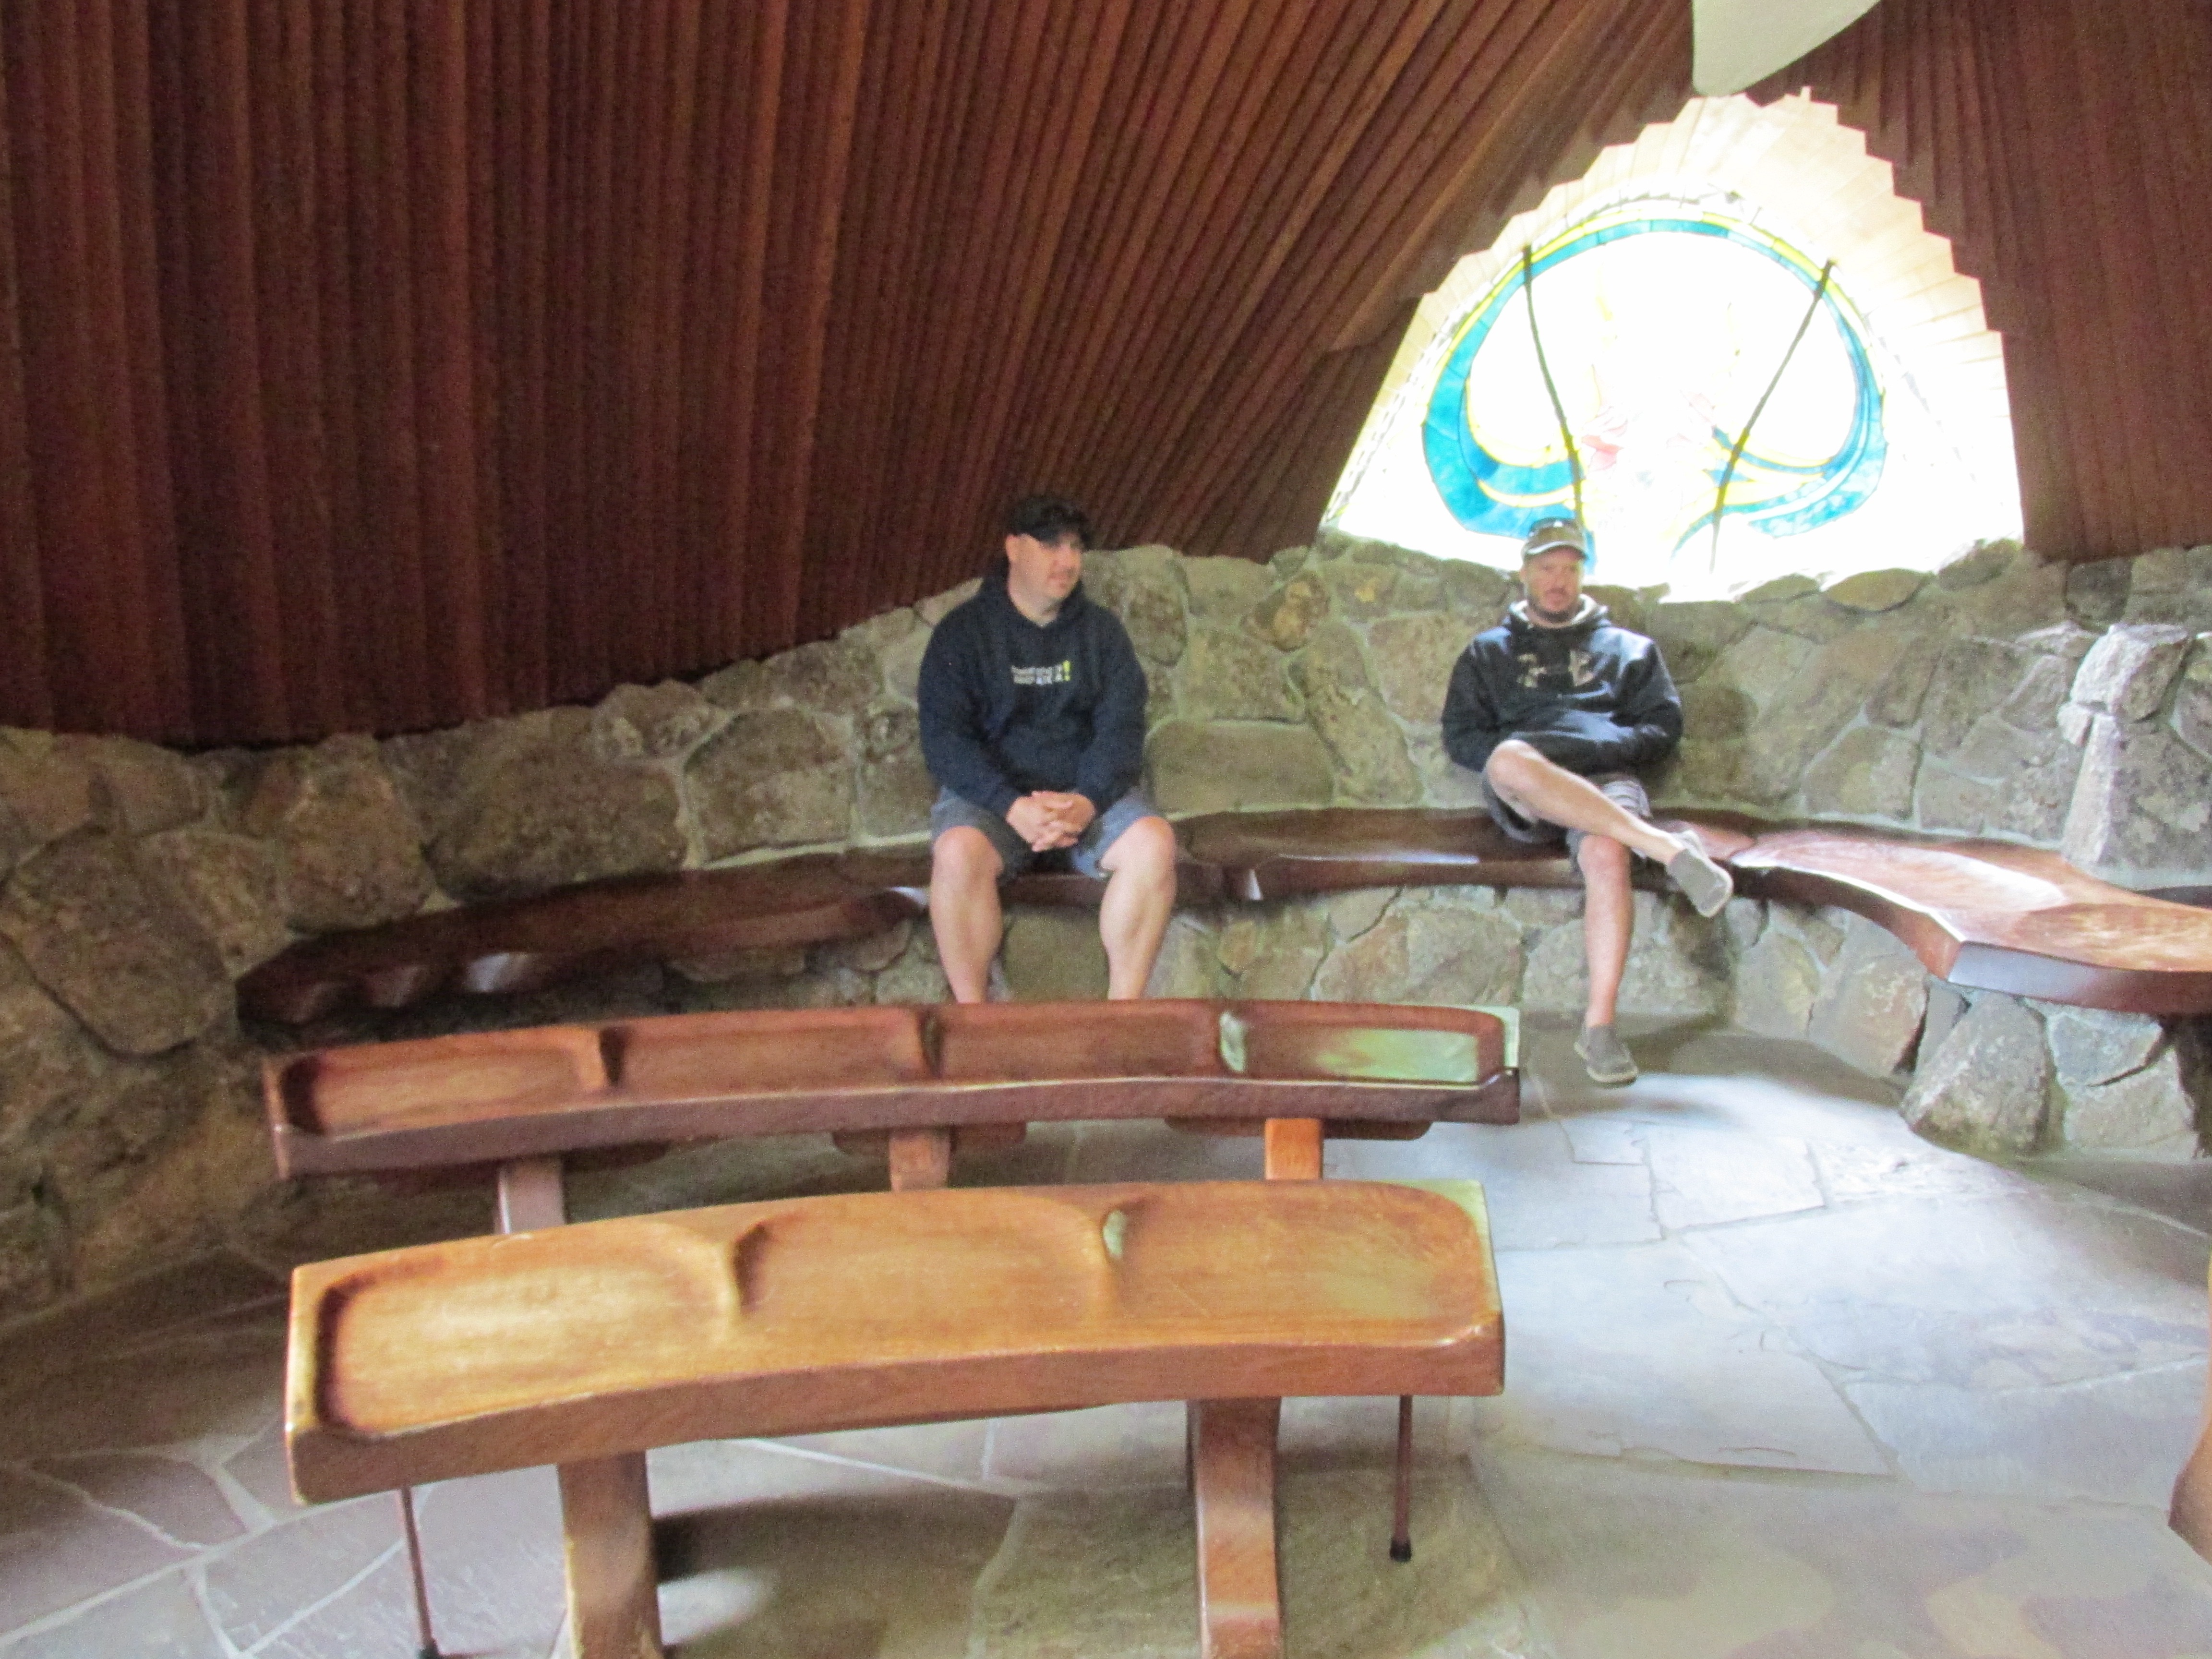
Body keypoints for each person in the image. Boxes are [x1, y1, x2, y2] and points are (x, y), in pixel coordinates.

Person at [1441, 517, 1733, 1085]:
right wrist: (1531, 756)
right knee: (1508, 759)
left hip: (1605, 779)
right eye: (1547, 568)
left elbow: (1663, 728)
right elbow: (1461, 735)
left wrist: (1595, 747)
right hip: (1527, 784)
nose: (1558, 580)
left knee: (1606, 852)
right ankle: (1668, 850)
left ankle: (1598, 1029)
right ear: (1525, 573)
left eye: (1570, 569)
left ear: (1583, 575)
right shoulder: (1488, 653)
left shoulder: (1630, 650)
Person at [918, 495, 1179, 1002]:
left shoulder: (1102, 634)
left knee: (1154, 843)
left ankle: (1124, 1017)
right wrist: (1011, 806)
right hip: (995, 805)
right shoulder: (963, 633)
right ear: (1014, 548)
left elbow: (1122, 731)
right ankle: (974, 1021)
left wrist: (1086, 801)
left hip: (1087, 800)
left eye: (1076, 548)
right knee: (955, 853)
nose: (1068, 561)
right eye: (1051, 546)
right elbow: (944, 741)